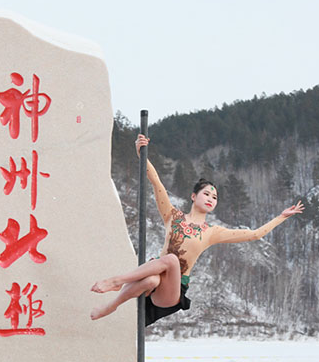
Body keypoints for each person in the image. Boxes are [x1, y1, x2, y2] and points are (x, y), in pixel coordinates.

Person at [90, 134, 304, 324]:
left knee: (172, 260)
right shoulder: (172, 217)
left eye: (215, 197)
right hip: (155, 282)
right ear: (193, 196)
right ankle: (112, 304)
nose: (211, 199)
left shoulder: (211, 232)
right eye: (207, 194)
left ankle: (117, 281)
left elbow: (255, 234)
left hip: (173, 290)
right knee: (151, 279)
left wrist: (281, 217)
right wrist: (141, 152)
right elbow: (156, 183)